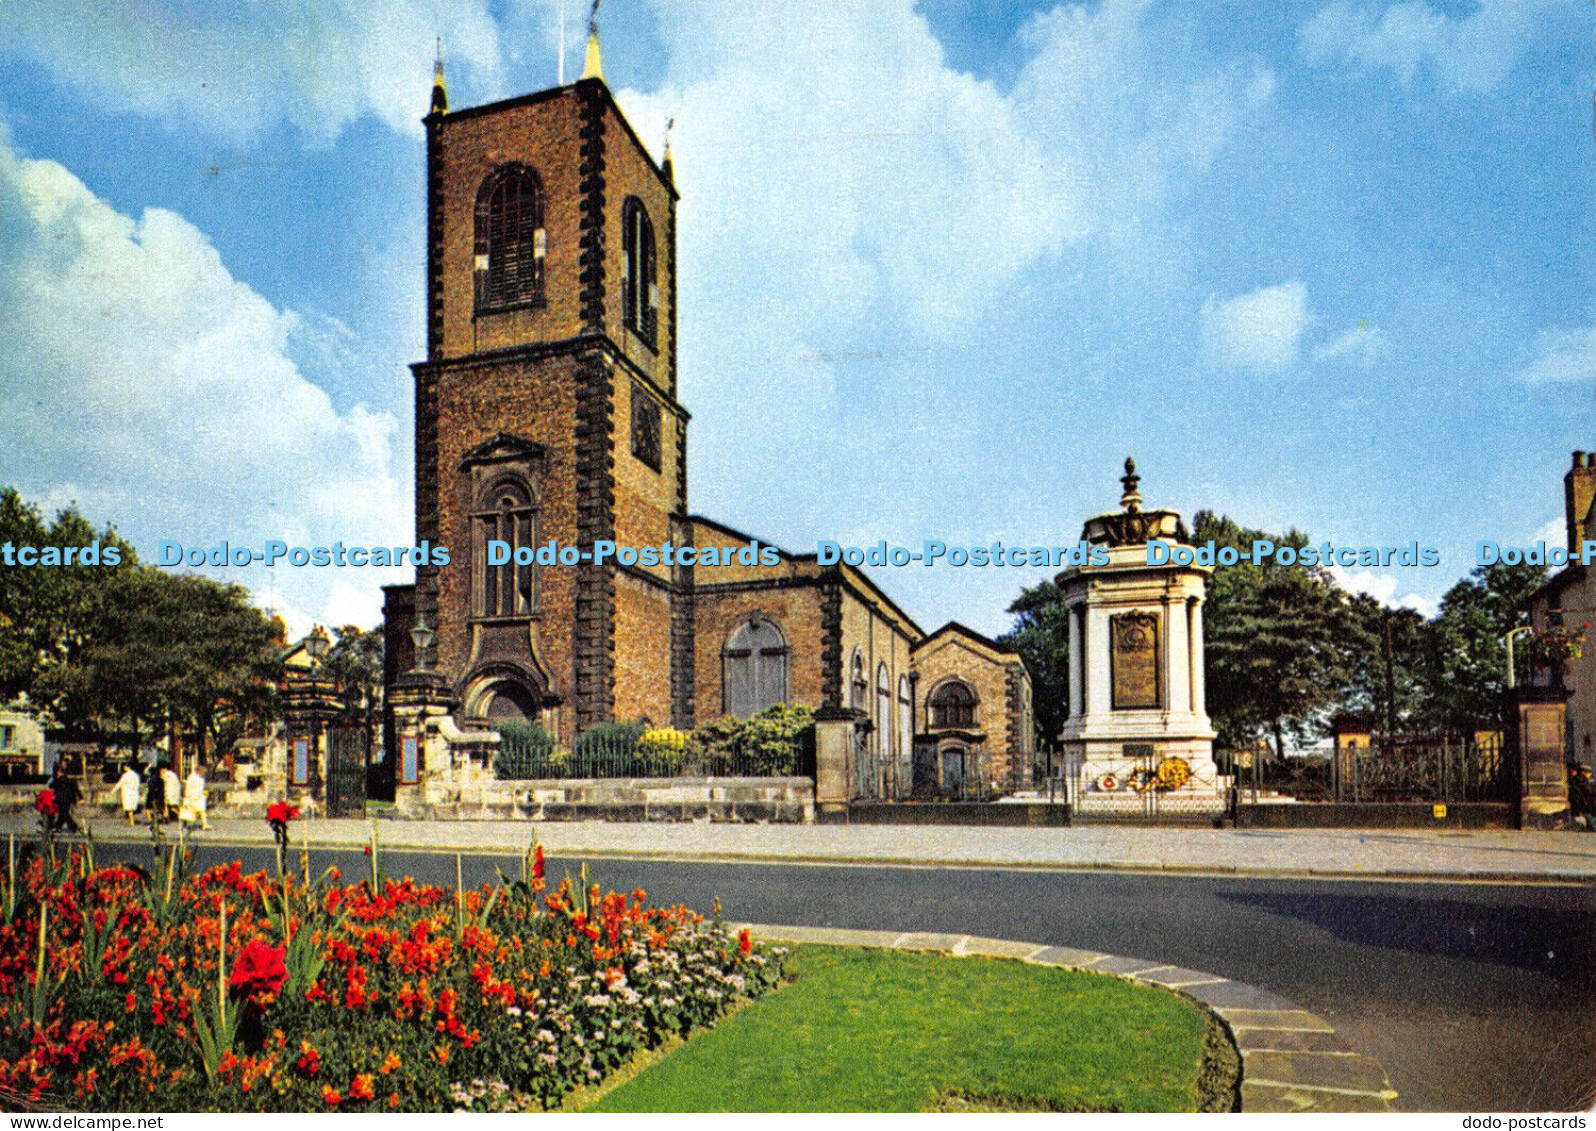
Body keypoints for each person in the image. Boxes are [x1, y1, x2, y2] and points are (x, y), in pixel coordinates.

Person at [47, 765, 81, 835]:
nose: (57, 774)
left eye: (58, 772)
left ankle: (71, 827)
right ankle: (59, 826)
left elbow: (51, 785)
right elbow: (76, 789)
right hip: (66, 800)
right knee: (63, 814)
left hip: (64, 800)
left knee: (64, 814)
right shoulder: (65, 780)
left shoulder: (60, 780)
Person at [180, 765, 210, 831]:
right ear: (198, 771)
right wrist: (188, 796)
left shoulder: (202, 778)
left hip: (199, 797)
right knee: (187, 812)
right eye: (202, 772)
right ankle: (184, 826)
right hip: (191, 796)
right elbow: (188, 787)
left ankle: (205, 824)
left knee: (202, 811)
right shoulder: (191, 777)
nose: (203, 773)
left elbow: (202, 786)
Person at [145, 761, 167, 826]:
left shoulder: (151, 779)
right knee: (162, 806)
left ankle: (149, 820)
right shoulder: (161, 779)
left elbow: (149, 786)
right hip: (159, 794)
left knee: (148, 808)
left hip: (151, 794)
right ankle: (165, 817)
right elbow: (162, 788)